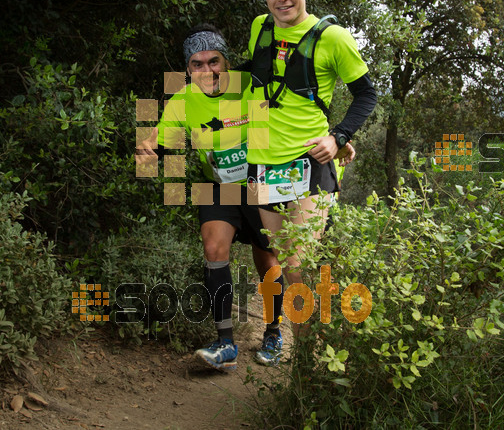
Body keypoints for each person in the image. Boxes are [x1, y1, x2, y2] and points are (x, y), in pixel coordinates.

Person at [136, 24, 357, 370]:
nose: (207, 70)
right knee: (213, 247)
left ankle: (272, 332)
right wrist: (149, 147)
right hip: (220, 187)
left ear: (226, 61)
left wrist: (337, 138)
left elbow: (293, 115)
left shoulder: (250, 84)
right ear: (187, 69)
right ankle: (225, 343)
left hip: (260, 182)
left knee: (268, 261)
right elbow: (161, 138)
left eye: (214, 61)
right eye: (196, 64)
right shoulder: (182, 100)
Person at [240, 0, 377, 366]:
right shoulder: (258, 28)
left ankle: (307, 369)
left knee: (298, 266)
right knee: (273, 260)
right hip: (263, 163)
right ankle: (276, 335)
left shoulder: (333, 37)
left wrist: (339, 137)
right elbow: (259, 84)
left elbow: (366, 95)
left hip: (310, 164)